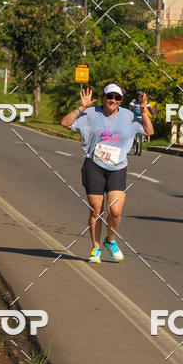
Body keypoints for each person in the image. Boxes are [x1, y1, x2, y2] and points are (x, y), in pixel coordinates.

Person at [61, 82, 154, 263]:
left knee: (115, 211)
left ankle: (110, 241)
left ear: (121, 100)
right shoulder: (90, 113)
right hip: (94, 166)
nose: (113, 100)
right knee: (96, 211)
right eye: (109, 96)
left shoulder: (129, 116)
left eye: (117, 97)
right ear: (103, 96)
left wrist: (143, 112)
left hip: (117, 168)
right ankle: (95, 248)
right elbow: (65, 123)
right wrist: (82, 106)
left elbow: (149, 131)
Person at [129, 89, 155, 154]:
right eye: (138, 96)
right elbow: (130, 108)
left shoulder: (145, 102)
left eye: (141, 96)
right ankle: (132, 137)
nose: (139, 98)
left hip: (142, 116)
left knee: (146, 124)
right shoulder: (134, 101)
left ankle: (144, 137)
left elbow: (149, 109)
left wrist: (153, 114)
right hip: (135, 116)